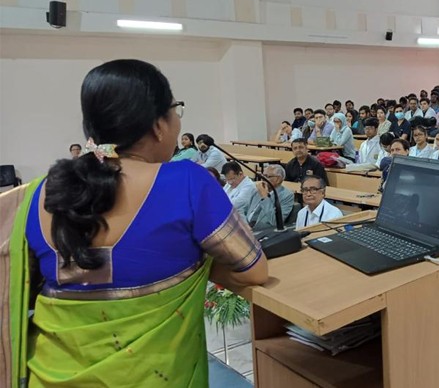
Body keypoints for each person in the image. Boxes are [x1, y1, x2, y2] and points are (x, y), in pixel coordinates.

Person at [9, 59, 267, 387]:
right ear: (158, 125)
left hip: (47, 376)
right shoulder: (188, 181)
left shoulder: (37, 192)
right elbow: (255, 270)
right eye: (176, 110)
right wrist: (196, 258)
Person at [249, 164, 294, 230]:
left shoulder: (287, 195)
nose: (263, 179)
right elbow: (244, 209)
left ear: (278, 179)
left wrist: (265, 198)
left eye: (267, 176)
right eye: (263, 176)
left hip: (262, 231)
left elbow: (275, 222)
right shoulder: (258, 188)